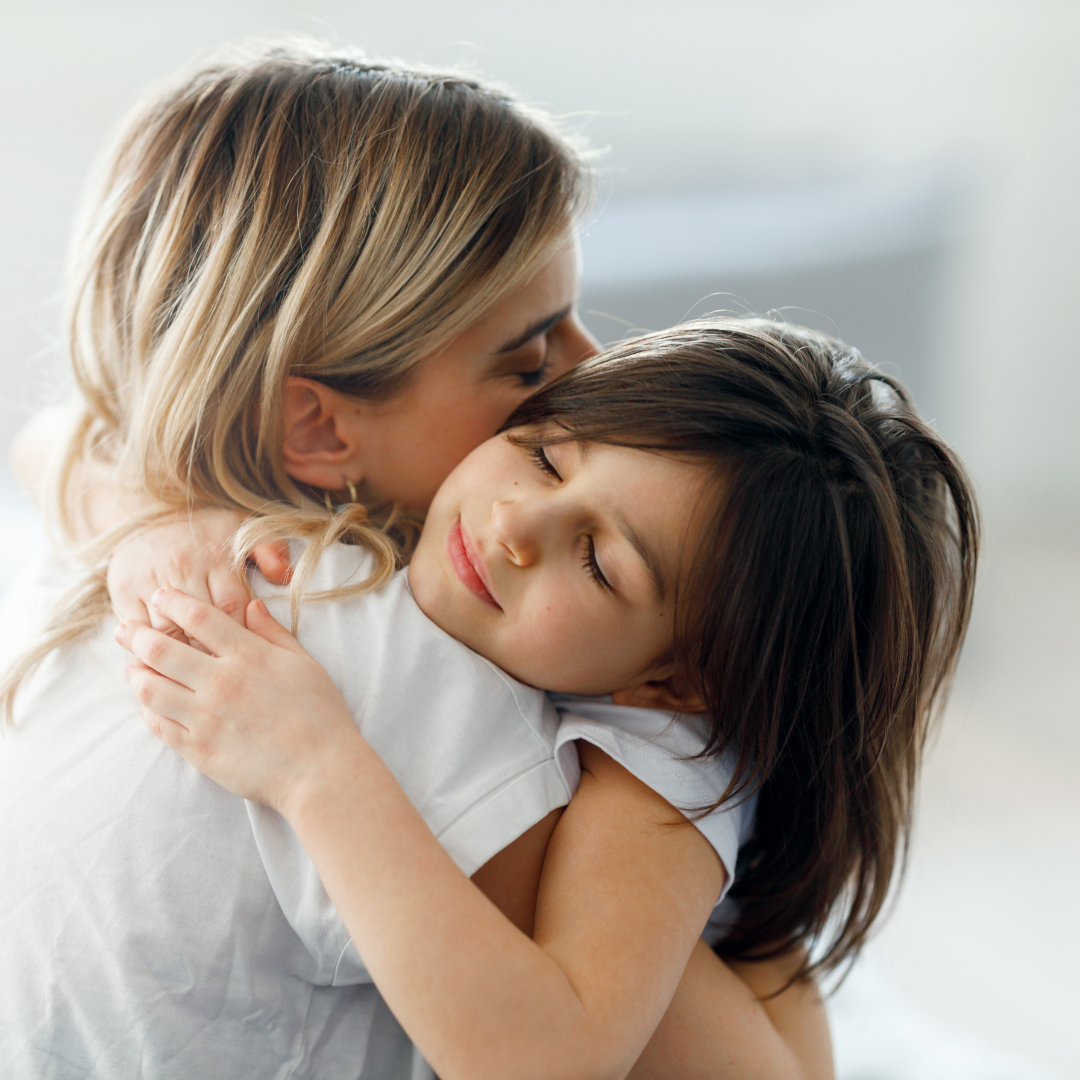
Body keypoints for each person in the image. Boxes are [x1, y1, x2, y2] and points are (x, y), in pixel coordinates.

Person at [0, 39, 832, 1079]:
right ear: (317, 429)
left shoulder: (140, 497)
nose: (594, 369)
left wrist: (138, 513)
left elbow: (60, 434)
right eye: (526, 360)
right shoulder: (397, 653)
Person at [116, 320, 979, 1080]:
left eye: (600, 563)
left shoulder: (664, 772)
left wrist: (313, 765)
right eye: (543, 454)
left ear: (677, 684)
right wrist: (167, 519)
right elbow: (53, 442)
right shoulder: (477, 549)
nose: (516, 525)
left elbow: (543, 1059)